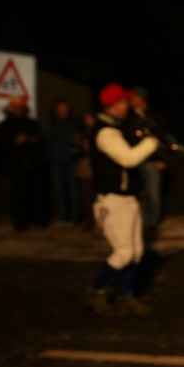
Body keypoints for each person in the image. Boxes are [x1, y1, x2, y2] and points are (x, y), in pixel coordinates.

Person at [82, 83, 160, 316]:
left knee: (136, 251)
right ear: (114, 105)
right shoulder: (105, 131)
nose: (129, 104)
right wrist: (153, 142)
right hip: (114, 200)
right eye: (125, 101)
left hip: (127, 198)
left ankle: (126, 295)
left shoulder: (115, 127)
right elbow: (127, 159)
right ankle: (95, 291)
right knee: (124, 252)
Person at [0, 96, 46, 230]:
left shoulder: (31, 123)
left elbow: (39, 139)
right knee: (18, 195)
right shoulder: (5, 125)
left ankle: (39, 221)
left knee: (36, 193)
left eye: (20, 107)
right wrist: (14, 141)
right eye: (15, 107)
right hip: (16, 164)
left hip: (32, 163)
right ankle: (21, 222)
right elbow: (1, 144)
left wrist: (31, 139)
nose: (18, 109)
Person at [128, 87, 169, 239]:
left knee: (153, 193)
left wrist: (162, 159)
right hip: (134, 162)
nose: (131, 101)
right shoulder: (129, 117)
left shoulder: (154, 116)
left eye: (133, 98)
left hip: (151, 162)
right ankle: (142, 222)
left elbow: (162, 139)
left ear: (141, 99)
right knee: (140, 194)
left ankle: (152, 224)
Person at [44, 99, 82, 226]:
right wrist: (51, 155)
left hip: (70, 161)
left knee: (73, 191)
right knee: (59, 191)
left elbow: (77, 141)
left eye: (65, 108)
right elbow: (48, 142)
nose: (62, 110)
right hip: (56, 161)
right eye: (60, 108)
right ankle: (63, 217)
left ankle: (74, 218)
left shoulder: (73, 123)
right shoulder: (52, 124)